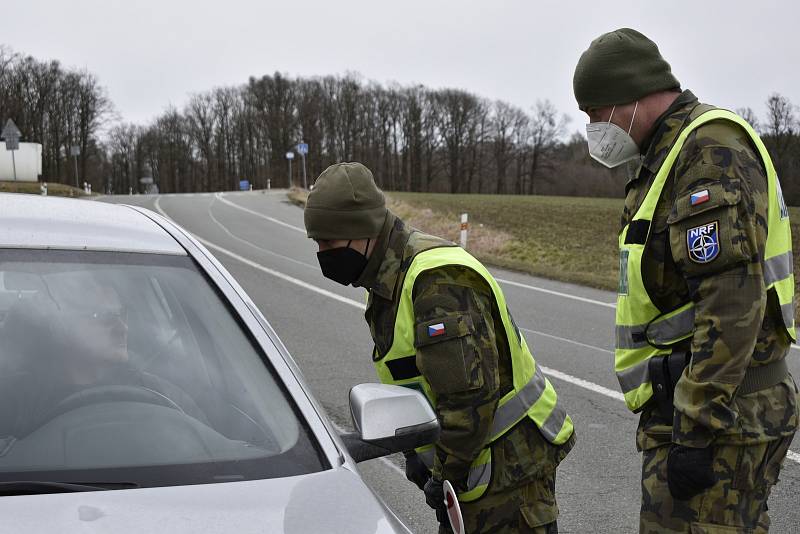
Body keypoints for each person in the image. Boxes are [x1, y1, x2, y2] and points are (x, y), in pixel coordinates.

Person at [572, 28, 797, 533]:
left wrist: (695, 428)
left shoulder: (708, 151)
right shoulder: (665, 155)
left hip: (721, 418)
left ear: (631, 97)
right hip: (702, 410)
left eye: (595, 114)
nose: (593, 128)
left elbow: (732, 302)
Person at [303, 162, 575, 533]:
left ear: (361, 229)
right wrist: (415, 451)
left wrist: (442, 473)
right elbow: (419, 386)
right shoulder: (386, 280)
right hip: (472, 472)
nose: (322, 253)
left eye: (328, 242)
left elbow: (469, 403)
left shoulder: (436, 282)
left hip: (508, 473)